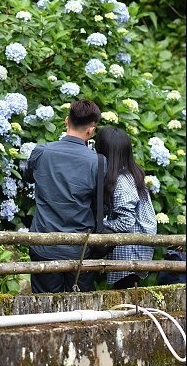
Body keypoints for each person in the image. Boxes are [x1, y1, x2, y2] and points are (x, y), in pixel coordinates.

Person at [23, 99, 103, 294]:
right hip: (80, 249)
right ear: (91, 131)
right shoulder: (98, 161)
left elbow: (28, 176)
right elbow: (98, 205)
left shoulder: (41, 152)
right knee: (79, 311)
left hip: (44, 245)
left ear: (67, 121)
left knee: (44, 310)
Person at [94, 126, 157, 289]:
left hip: (131, 249)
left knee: (126, 295)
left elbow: (126, 222)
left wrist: (99, 226)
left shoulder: (121, 182)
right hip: (137, 248)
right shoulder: (130, 174)